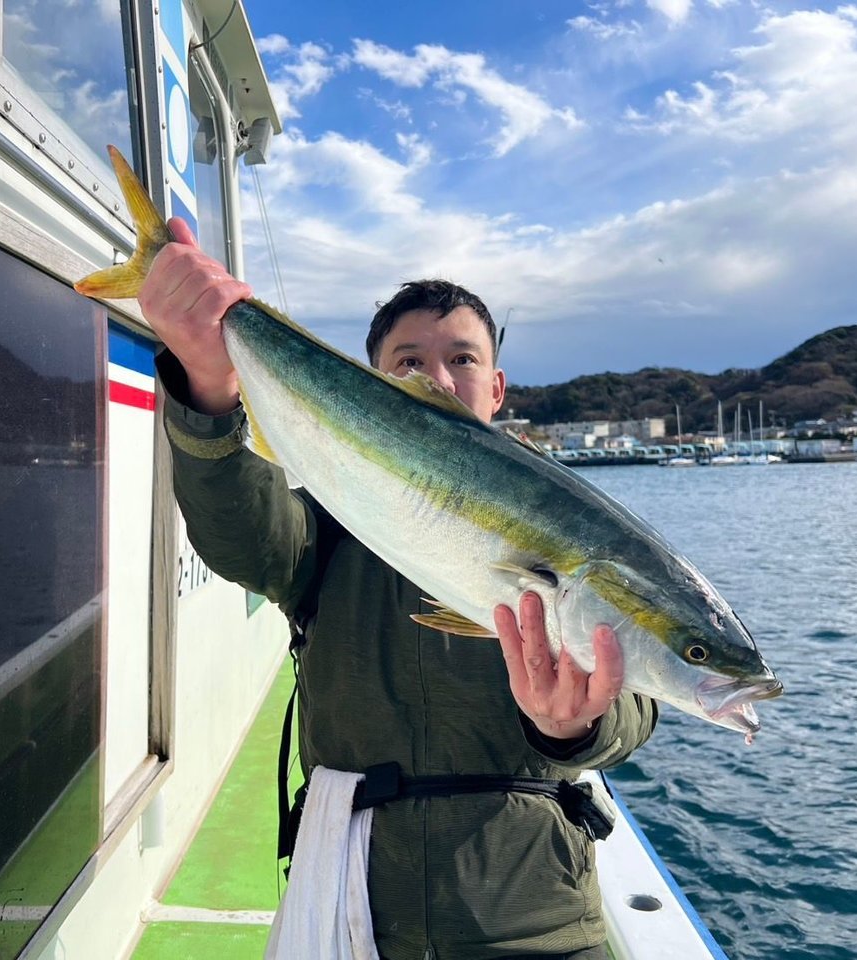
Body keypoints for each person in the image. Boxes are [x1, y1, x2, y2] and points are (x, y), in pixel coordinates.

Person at [139, 218, 658, 960]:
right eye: (408, 361)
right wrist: (208, 389)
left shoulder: (573, 526)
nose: (436, 379)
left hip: (535, 913)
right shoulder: (329, 522)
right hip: (353, 895)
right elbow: (239, 534)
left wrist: (572, 728)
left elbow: (637, 698)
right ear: (375, 383)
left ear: (497, 388)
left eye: (462, 359)